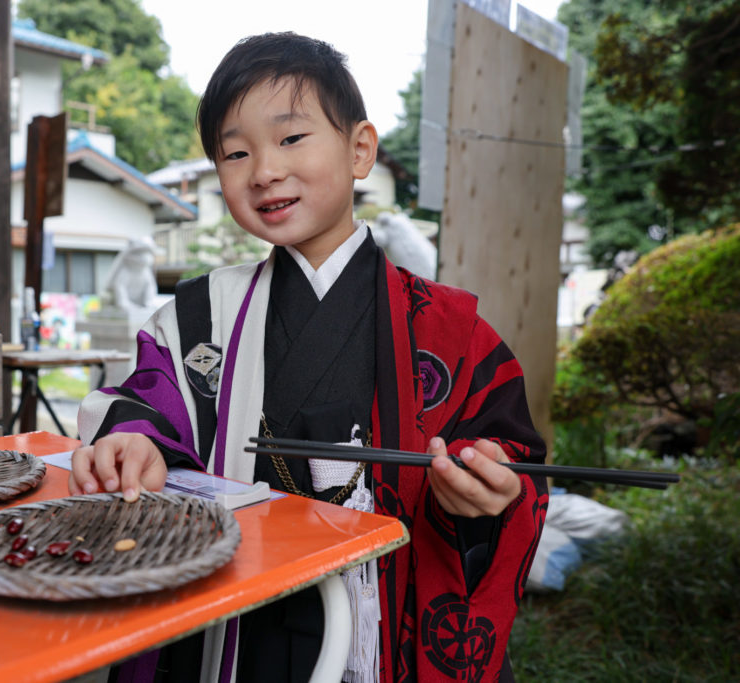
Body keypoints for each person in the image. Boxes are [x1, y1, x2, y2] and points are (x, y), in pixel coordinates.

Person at [70, 31, 547, 683]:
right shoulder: (198, 316)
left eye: (291, 138)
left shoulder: (449, 328)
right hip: (241, 621)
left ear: (360, 150)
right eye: (236, 153)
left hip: (384, 609)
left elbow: (514, 456)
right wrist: (137, 443)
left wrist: (487, 488)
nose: (264, 170)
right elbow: (146, 401)